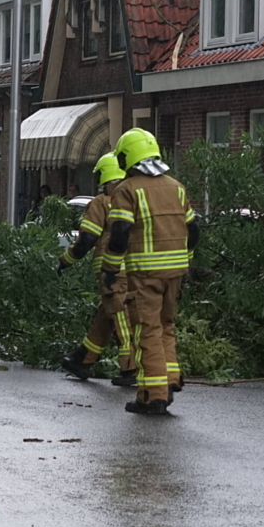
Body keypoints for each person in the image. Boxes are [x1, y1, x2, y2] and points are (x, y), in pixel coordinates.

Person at [101, 129, 199, 415]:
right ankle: (170, 379)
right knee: (166, 325)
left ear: (127, 157)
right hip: (176, 273)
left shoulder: (127, 189)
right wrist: (186, 260)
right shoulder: (176, 187)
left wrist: (110, 269)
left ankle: (152, 396)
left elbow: (120, 232)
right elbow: (194, 230)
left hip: (145, 274)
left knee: (147, 331)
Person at [58, 153, 136, 385]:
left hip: (113, 274)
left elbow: (87, 239)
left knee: (121, 318)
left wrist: (65, 260)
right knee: (105, 317)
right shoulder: (137, 199)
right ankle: (82, 361)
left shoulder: (102, 203)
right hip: (137, 271)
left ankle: (131, 368)